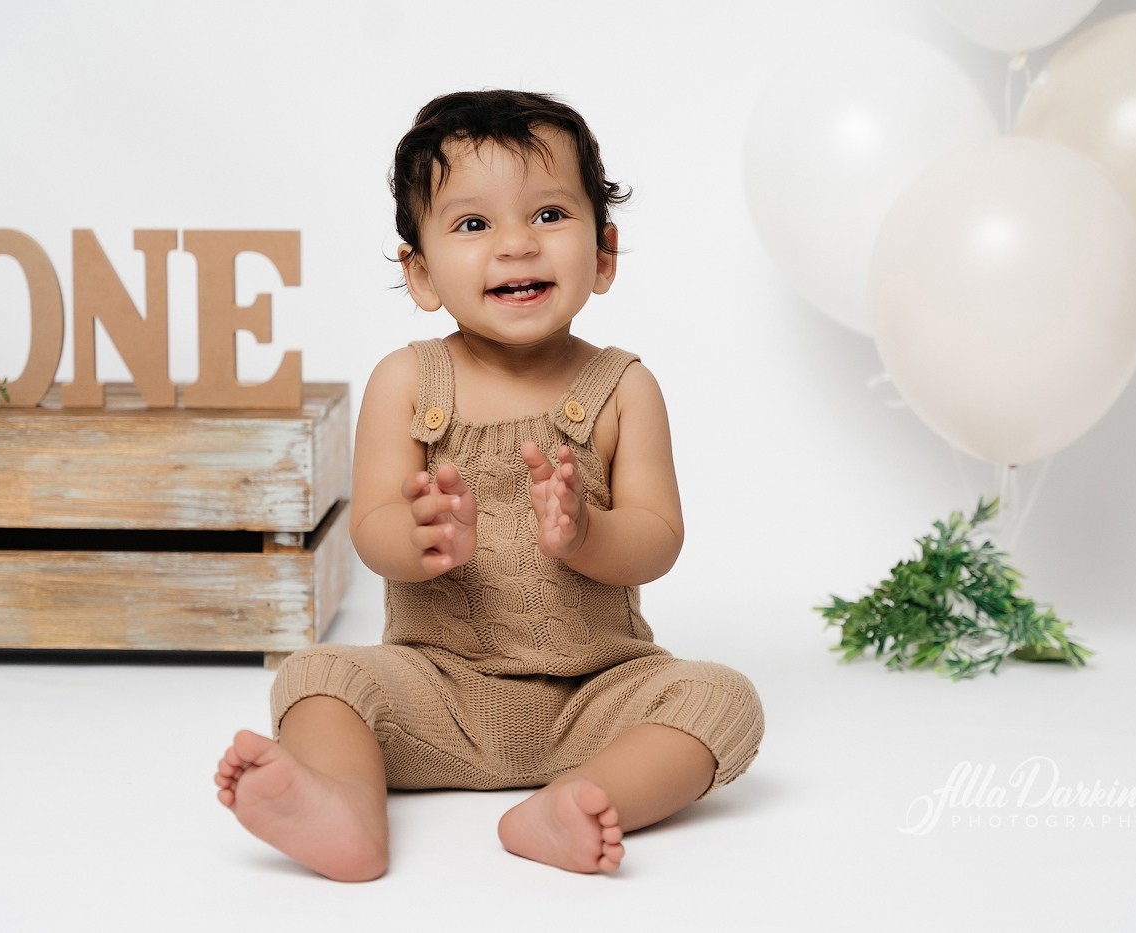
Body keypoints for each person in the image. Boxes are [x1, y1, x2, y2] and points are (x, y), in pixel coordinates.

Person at [214, 89, 763, 881]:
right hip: (435, 693)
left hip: (597, 694)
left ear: (604, 253)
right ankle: (345, 810)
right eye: (474, 224)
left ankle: (573, 799)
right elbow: (372, 525)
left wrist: (586, 531)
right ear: (421, 271)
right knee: (316, 675)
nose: (516, 246)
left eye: (548, 215)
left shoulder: (623, 389)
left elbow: (659, 536)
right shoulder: (407, 381)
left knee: (723, 699)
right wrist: (419, 535)